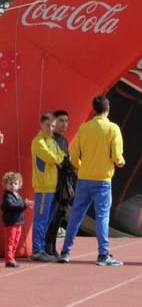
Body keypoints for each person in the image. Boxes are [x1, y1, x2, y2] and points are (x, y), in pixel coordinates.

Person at [58, 96, 125, 266]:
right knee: (102, 216)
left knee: (76, 215)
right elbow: (117, 156)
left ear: (94, 110)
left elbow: (73, 155)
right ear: (108, 109)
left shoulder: (84, 128)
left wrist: (81, 167)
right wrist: (120, 162)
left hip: (84, 178)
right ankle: (103, 254)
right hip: (102, 179)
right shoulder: (112, 128)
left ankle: (65, 251)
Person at [30, 113, 65, 262]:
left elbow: (61, 155)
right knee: (41, 219)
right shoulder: (38, 142)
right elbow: (51, 158)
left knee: (47, 219)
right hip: (43, 186)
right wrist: (57, 159)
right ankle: (37, 250)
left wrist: (57, 158)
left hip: (52, 186)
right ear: (41, 125)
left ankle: (42, 248)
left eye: (52, 126)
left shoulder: (51, 141)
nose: (50, 128)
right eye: (47, 125)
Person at [45, 109, 77, 257]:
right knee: (52, 215)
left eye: (66, 121)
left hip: (64, 183)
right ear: (54, 122)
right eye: (61, 121)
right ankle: (47, 246)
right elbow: (61, 161)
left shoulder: (63, 140)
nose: (64, 124)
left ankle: (51, 246)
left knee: (60, 214)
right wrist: (73, 167)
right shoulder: (52, 139)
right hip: (54, 183)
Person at [2, 172, 33, 267]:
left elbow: (20, 205)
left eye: (15, 184)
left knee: (16, 241)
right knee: (10, 241)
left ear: (19, 185)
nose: (13, 186)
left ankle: (12, 258)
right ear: (5, 185)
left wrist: (27, 203)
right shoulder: (7, 196)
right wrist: (24, 204)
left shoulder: (18, 195)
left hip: (18, 221)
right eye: (10, 183)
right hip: (11, 222)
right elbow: (11, 205)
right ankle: (9, 259)